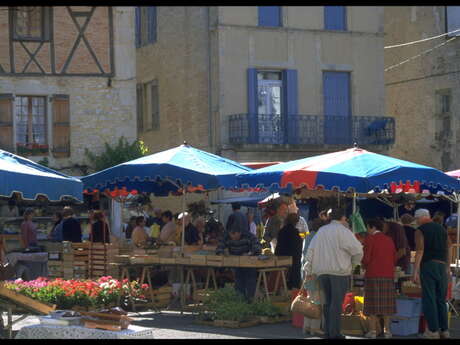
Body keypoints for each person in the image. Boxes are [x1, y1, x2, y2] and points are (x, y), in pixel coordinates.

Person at [303, 208, 363, 339]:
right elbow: (358, 250)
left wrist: (308, 269)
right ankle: (334, 333)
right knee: (336, 304)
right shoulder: (344, 231)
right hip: (339, 272)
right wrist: (354, 265)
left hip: (322, 272)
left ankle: (328, 331)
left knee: (328, 303)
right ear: (342, 218)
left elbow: (311, 250)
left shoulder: (321, 231)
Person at [413, 209, 452, 339]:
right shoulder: (442, 229)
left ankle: (433, 331)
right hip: (442, 266)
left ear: (420, 218)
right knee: (441, 299)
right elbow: (449, 247)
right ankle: (444, 330)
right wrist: (447, 266)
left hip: (428, 265)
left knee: (429, 299)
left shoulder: (420, 230)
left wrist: (415, 271)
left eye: (416, 219)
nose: (416, 222)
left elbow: (420, 250)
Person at [362, 219, 397, 339]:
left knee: (373, 305)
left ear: (372, 227)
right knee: (386, 305)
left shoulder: (370, 239)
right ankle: (387, 331)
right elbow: (394, 257)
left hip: (373, 274)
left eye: (367, 227)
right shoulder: (389, 240)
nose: (367, 230)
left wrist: (363, 266)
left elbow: (366, 259)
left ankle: (373, 332)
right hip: (388, 275)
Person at [216, 227, 262, 302]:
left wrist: (249, 254)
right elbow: (219, 248)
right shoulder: (226, 236)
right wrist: (222, 253)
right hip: (236, 265)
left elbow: (258, 248)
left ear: (240, 232)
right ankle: (240, 304)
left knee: (250, 284)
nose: (232, 236)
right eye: (231, 234)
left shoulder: (248, 236)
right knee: (238, 284)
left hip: (249, 265)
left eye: (234, 234)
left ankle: (251, 303)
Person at [301, 210, 326, 337]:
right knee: (317, 302)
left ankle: (307, 326)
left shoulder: (308, 236)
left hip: (306, 273)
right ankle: (315, 328)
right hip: (314, 273)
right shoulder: (318, 238)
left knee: (310, 301)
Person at [275, 213, 302, 289]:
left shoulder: (282, 231)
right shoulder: (294, 232)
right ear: (296, 222)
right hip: (291, 259)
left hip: (280, 257)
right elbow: (297, 248)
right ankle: (293, 288)